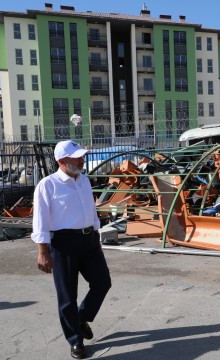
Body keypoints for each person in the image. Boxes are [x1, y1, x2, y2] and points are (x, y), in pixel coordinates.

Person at [32, 140, 111, 359]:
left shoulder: (83, 180)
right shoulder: (48, 185)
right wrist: (42, 252)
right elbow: (40, 221)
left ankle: (80, 318)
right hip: (63, 244)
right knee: (67, 296)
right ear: (62, 161)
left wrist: (97, 231)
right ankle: (75, 341)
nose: (81, 160)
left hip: (89, 240)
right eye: (76, 157)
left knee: (102, 282)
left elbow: (90, 209)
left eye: (81, 156)